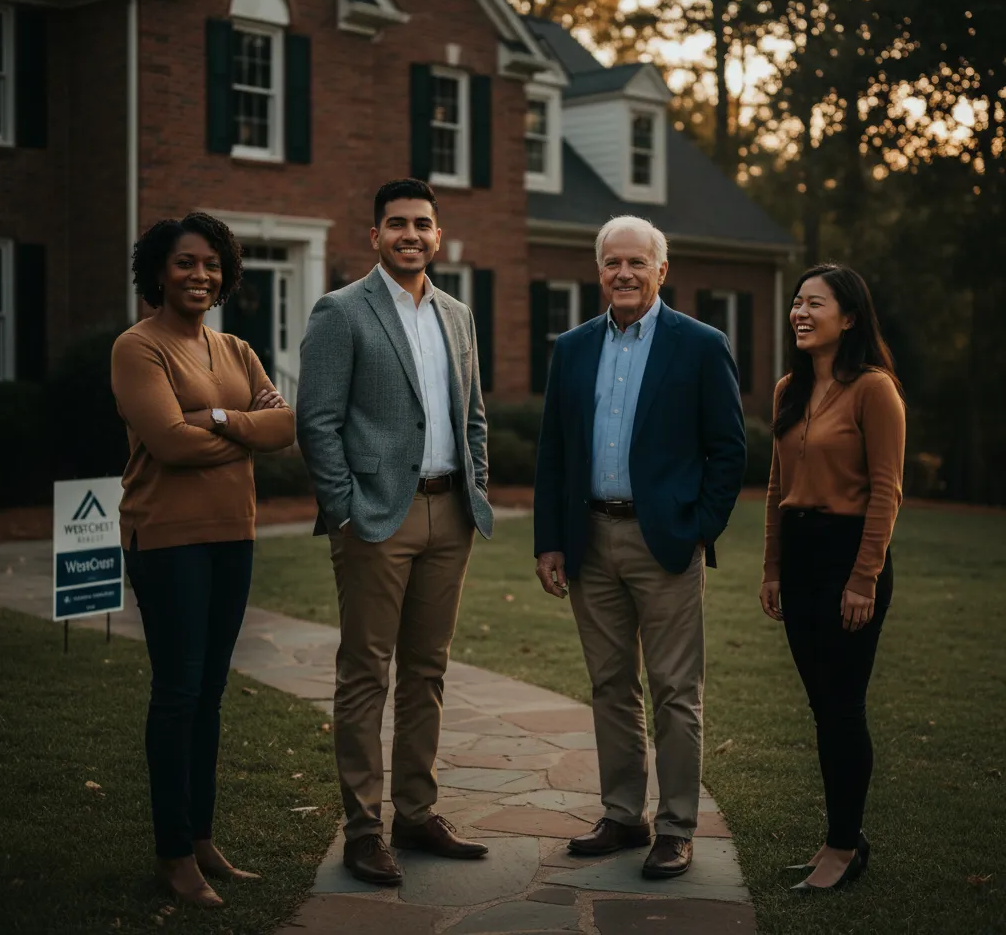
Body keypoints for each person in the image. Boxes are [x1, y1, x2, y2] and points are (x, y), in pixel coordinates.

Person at [533, 215, 746, 880]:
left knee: (676, 691)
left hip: (667, 544)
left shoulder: (701, 345)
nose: (623, 273)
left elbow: (729, 450)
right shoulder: (571, 348)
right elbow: (554, 454)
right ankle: (624, 814)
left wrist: (698, 527)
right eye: (611, 263)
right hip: (589, 540)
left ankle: (676, 828)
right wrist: (550, 542)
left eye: (636, 262)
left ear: (662, 269)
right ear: (598, 271)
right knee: (609, 685)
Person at [297, 178, 494, 887]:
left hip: (451, 515)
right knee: (364, 673)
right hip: (376, 517)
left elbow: (473, 415)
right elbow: (315, 419)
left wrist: (476, 480)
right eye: (396, 224)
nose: (410, 234)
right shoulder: (341, 311)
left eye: (422, 224)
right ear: (374, 235)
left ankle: (416, 812)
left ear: (437, 236)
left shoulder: (459, 315)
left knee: (427, 670)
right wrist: (344, 509)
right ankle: (362, 829)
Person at [111, 213, 295, 907]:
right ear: (159, 271)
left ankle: (202, 838)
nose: (200, 275)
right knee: (179, 692)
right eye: (186, 263)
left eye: (212, 264)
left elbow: (288, 425)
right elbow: (169, 444)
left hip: (233, 535)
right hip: (167, 538)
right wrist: (244, 432)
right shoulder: (139, 348)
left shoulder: (237, 349)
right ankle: (171, 853)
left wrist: (217, 422)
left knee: (211, 693)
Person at [759, 263, 905, 893]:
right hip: (800, 557)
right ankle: (839, 838)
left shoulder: (875, 389)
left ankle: (844, 848)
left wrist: (864, 579)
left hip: (850, 558)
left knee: (842, 708)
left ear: (848, 317)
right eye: (796, 302)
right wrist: (771, 568)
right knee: (823, 709)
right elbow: (775, 486)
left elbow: (887, 491)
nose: (799, 312)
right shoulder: (789, 389)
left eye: (814, 303)